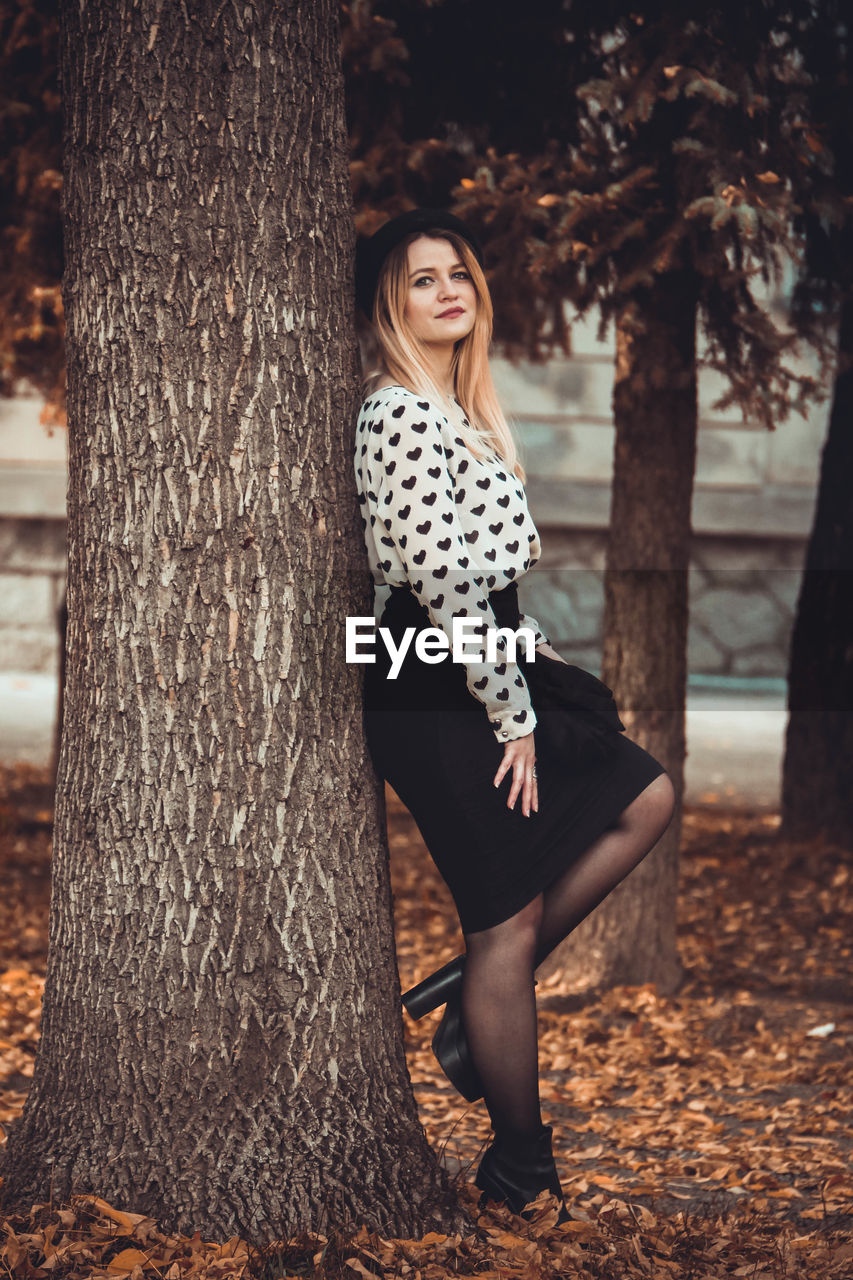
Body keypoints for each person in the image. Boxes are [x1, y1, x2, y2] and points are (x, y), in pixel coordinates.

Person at [353, 208, 675, 1220]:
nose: (448, 289)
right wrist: (513, 714)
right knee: (505, 916)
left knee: (644, 794)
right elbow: (439, 587)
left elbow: (476, 585)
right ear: (388, 305)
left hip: (477, 658)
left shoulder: (459, 407)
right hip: (433, 685)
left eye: (458, 273)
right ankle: (519, 1162)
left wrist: (522, 665)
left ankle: (470, 998)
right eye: (420, 279)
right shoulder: (396, 411)